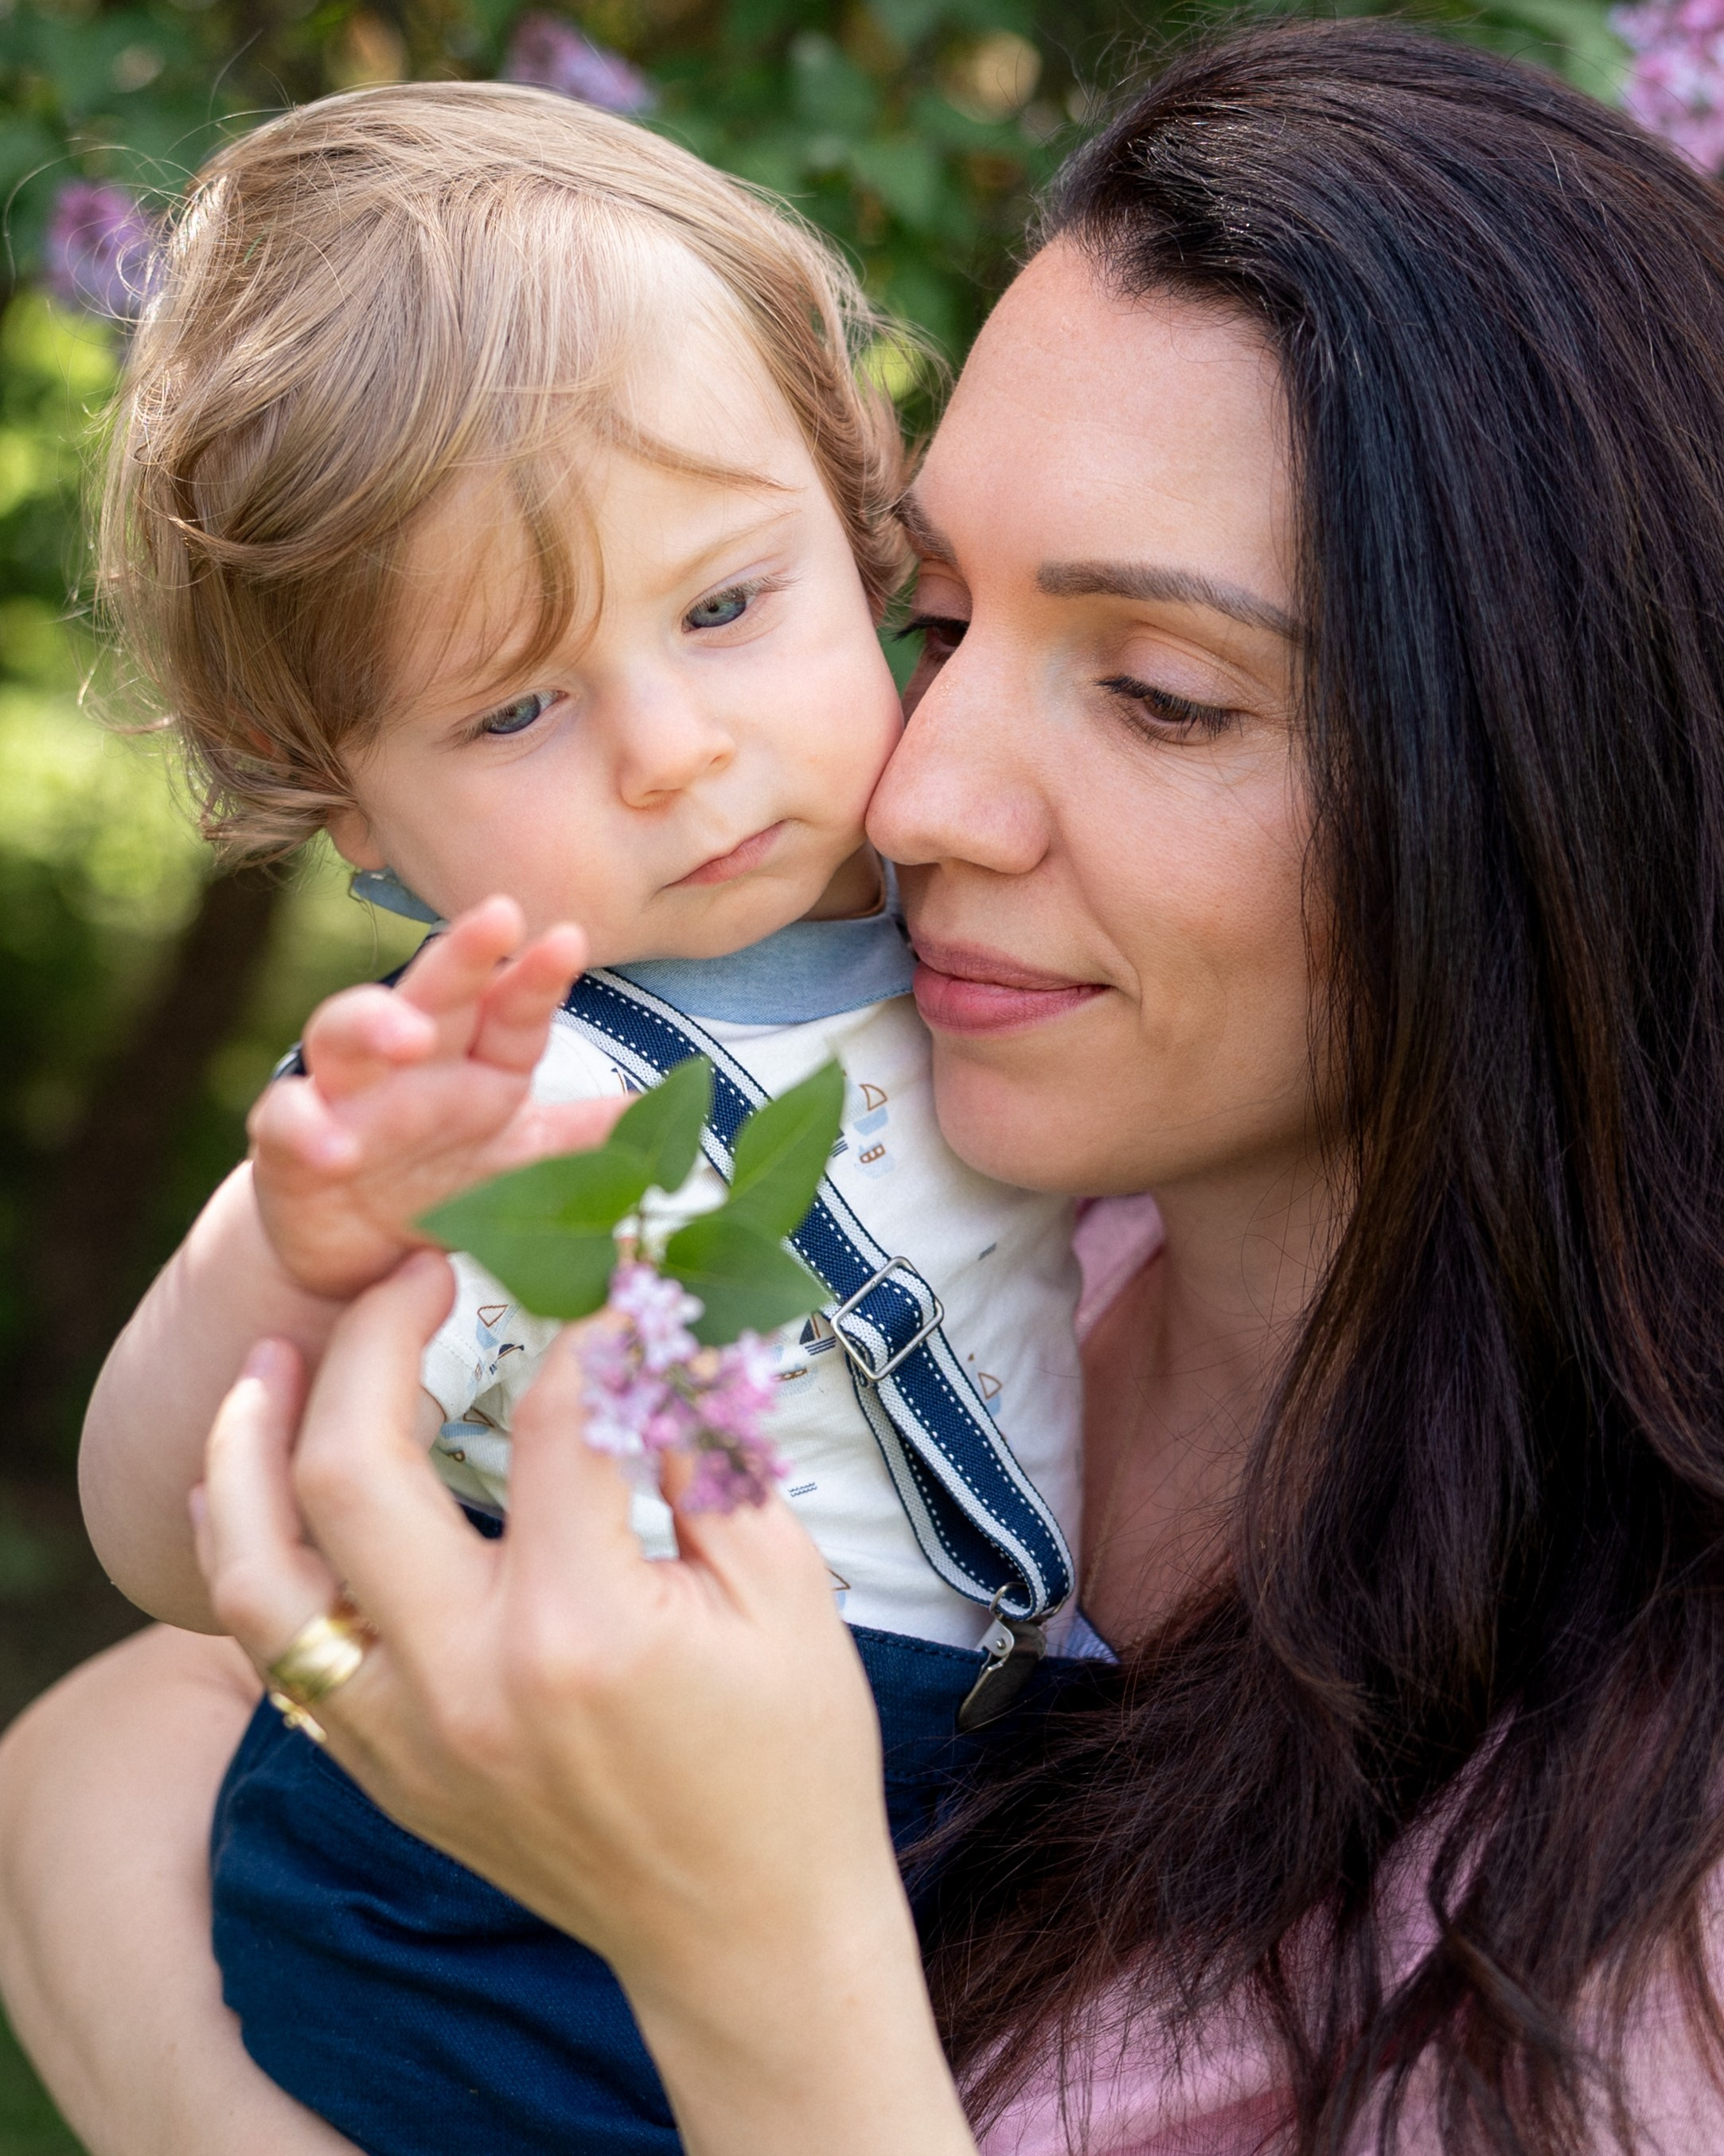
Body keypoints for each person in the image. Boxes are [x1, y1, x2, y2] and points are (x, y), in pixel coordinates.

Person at [7, 18, 1724, 2154]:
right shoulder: (930, 1173)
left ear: (1553, 781)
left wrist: (757, 1970)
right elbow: (112, 1718)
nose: (918, 793)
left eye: (1166, 696)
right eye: (935, 612)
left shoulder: (1654, 1917)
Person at [59, 79, 1088, 2156]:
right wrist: (285, 1250)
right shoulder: (495, 1081)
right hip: (483, 1906)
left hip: (948, 1803)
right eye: (517, 707)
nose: (672, 749)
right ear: (345, 797)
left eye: (726, 606)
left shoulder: (997, 914)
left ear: (864, 509)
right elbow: (167, 1544)